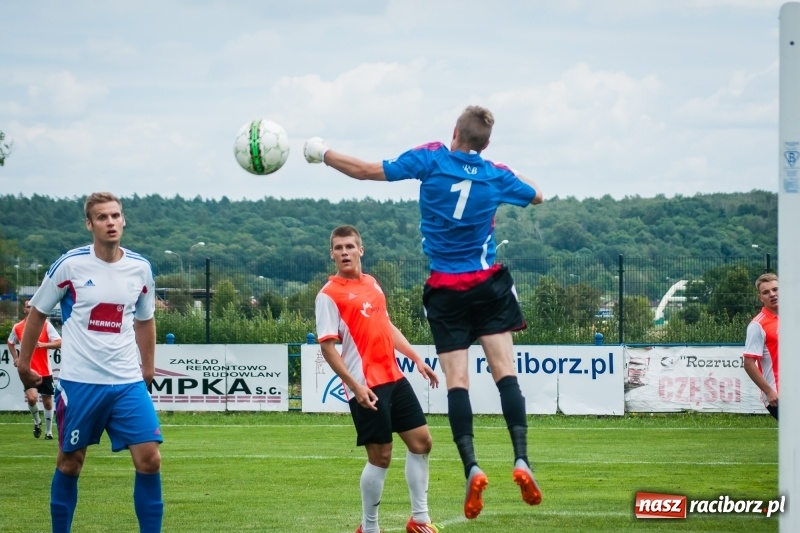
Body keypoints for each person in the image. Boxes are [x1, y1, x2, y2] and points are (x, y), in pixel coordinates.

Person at [304, 105, 544, 520]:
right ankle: (521, 458)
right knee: (506, 373)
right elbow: (537, 194)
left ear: (454, 132)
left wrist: (321, 152)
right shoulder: (495, 175)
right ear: (485, 143)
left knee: (457, 384)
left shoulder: (432, 158)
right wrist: (497, 168)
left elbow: (364, 171)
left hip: (446, 289)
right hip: (486, 283)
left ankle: (471, 466)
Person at [16, 192, 163, 532]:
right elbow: (37, 312)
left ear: (123, 220)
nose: (110, 222)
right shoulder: (70, 265)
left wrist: (148, 366)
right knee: (70, 463)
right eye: (102, 217)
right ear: (89, 224)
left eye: (115, 216)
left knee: (150, 460)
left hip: (127, 382)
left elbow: (145, 319)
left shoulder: (140, 268)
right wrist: (25, 364)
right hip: (81, 383)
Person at [315, 225, 441, 533]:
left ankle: (419, 519)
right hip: (365, 385)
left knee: (422, 442)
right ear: (332, 253)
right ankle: (369, 528)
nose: (344, 252)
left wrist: (415, 358)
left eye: (349, 246)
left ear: (361, 250)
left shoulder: (372, 283)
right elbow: (328, 348)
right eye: (338, 248)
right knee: (381, 456)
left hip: (394, 378)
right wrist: (355, 386)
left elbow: (386, 326)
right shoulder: (328, 295)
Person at [8, 299, 62, 439]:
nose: (30, 309)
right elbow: (10, 342)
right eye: (28, 307)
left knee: (48, 402)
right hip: (28, 370)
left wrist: (42, 345)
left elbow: (59, 342)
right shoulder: (18, 327)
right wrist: (16, 358)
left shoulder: (46, 325)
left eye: (33, 307)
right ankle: (37, 422)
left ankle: (49, 432)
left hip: (45, 370)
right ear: (24, 310)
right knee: (31, 399)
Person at [743, 273, 779, 420]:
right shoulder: (757, 325)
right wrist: (769, 391)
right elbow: (748, 363)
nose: (772, 294)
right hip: (778, 394)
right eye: (766, 292)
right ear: (760, 298)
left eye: (775, 289)